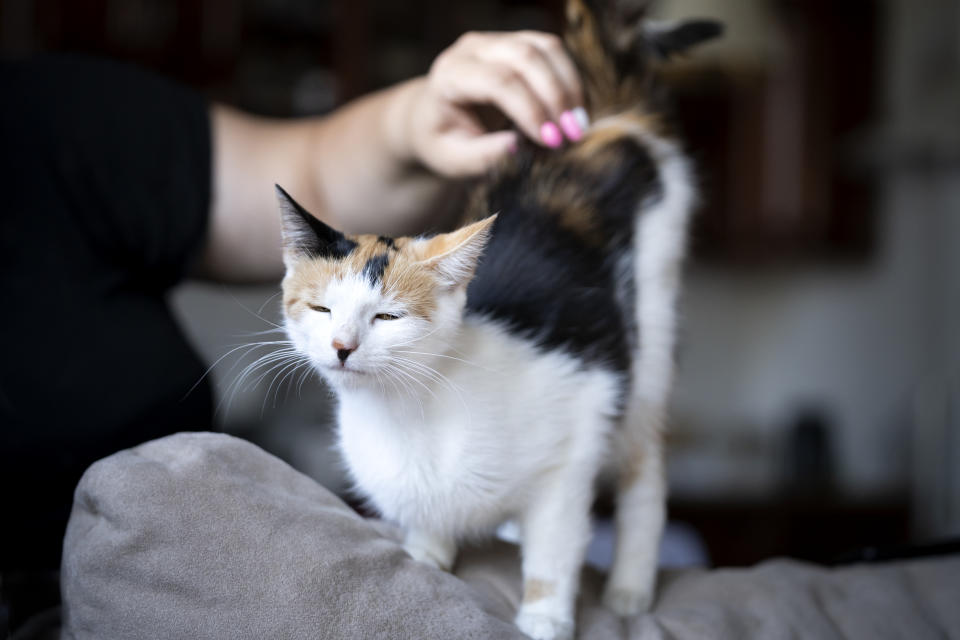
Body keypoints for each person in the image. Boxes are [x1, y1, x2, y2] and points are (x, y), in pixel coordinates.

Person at [0, 29, 585, 627]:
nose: (342, 341)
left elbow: (313, 182)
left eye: (379, 318)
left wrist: (414, 115)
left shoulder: (45, 114)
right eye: (326, 315)